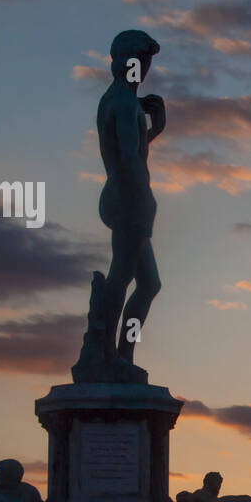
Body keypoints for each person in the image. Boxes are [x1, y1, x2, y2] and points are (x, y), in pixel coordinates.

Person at [97, 29, 165, 371]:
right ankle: (108, 355)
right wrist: (145, 199)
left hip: (125, 197)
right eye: (144, 60)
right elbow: (128, 158)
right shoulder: (123, 103)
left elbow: (132, 150)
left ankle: (123, 354)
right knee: (122, 276)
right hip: (127, 199)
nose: (147, 67)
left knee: (148, 283)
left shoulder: (120, 100)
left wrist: (154, 130)